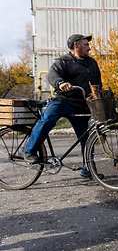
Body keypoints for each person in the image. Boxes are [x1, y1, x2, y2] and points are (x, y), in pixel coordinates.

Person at [22, 34, 103, 179]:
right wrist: (60, 83)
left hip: (82, 104)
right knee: (47, 119)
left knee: (86, 137)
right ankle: (29, 151)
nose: (89, 48)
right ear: (76, 45)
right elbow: (52, 75)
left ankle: (88, 168)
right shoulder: (63, 61)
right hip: (64, 100)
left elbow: (97, 83)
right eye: (86, 45)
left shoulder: (92, 63)